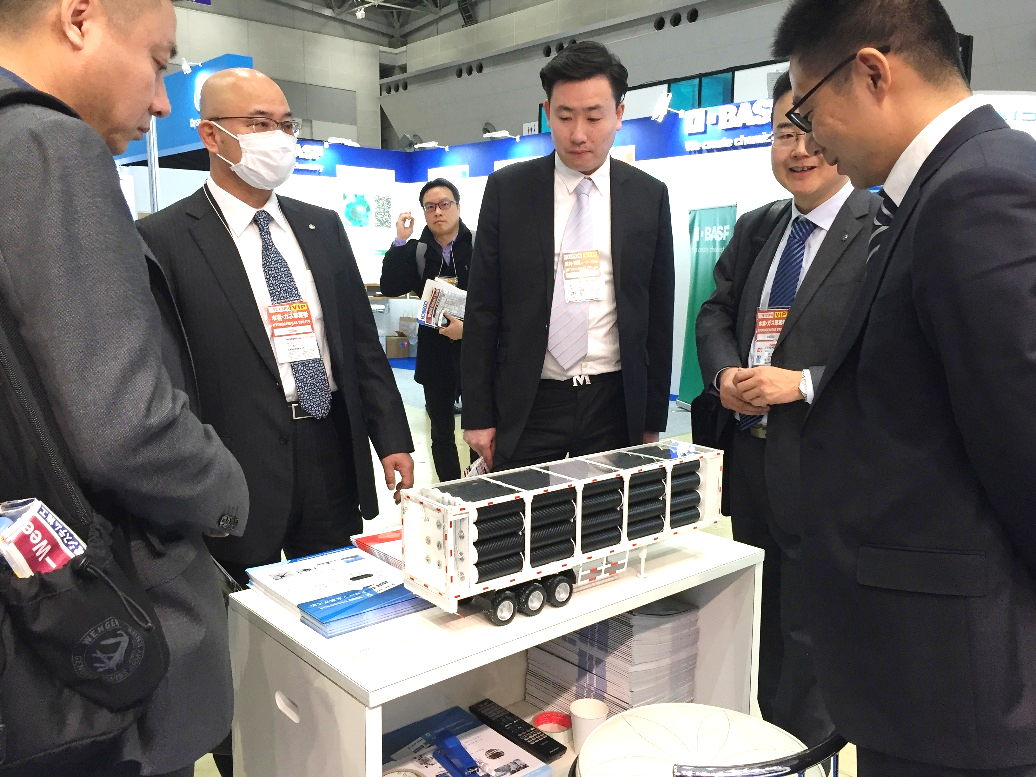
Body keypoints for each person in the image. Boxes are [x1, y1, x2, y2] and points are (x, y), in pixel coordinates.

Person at [772, 0, 1036, 774]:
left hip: (963, 688)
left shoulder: (977, 191)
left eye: (809, 111)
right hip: (931, 677)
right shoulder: (940, 187)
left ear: (872, 73)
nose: (810, 139)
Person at [0, 1, 250, 776]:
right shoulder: (47, 145)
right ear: (79, 19)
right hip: (107, 637)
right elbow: (126, 427)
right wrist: (225, 488)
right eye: (158, 61)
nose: (162, 101)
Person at [138, 68, 415, 590]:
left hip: (329, 447)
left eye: (287, 125)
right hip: (235, 461)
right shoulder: (164, 238)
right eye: (260, 123)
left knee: (335, 595)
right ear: (212, 135)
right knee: (244, 610)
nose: (280, 138)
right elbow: (164, 376)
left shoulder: (322, 225)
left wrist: (391, 439)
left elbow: (360, 345)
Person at [696, 70, 877, 749]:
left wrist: (801, 383)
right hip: (752, 461)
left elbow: (894, 355)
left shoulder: (881, 227)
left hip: (826, 467)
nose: (800, 148)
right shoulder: (760, 227)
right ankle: (764, 740)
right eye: (783, 132)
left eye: (813, 129)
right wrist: (724, 373)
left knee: (813, 631)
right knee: (758, 615)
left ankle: (806, 751)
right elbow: (716, 311)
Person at [462, 41, 675, 471]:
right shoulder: (508, 191)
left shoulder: (648, 196)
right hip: (529, 399)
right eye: (564, 116)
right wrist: (478, 414)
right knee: (518, 511)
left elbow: (657, 313)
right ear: (547, 112)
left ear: (618, 114)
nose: (578, 134)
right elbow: (483, 306)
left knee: (607, 510)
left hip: (614, 401)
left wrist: (651, 417)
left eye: (594, 117)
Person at [380, 178, 473, 481]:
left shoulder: (479, 244)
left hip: (476, 351)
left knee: (479, 429)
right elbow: (390, 286)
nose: (438, 212)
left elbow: (499, 298)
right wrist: (400, 241)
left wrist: (469, 329)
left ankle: (481, 488)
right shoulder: (417, 251)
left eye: (444, 204)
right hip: (435, 354)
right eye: (430, 207)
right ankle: (450, 489)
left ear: (457, 206)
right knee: (441, 432)